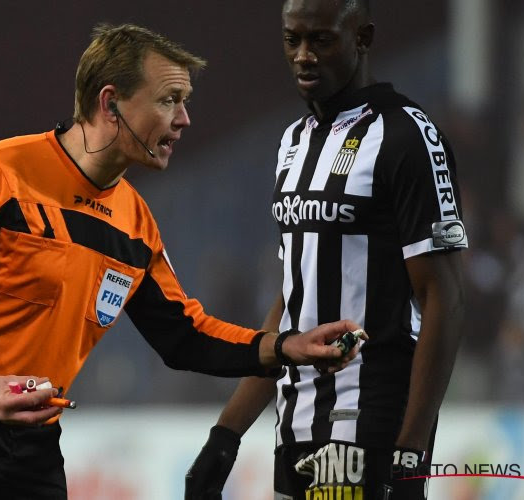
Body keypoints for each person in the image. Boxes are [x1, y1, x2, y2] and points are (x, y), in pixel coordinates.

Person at [0, 23, 364, 500]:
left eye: (184, 102)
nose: (184, 119)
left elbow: (184, 335)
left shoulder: (134, 223)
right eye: (169, 100)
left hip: (31, 441)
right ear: (110, 103)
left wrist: (286, 346)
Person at [185, 0, 467, 498]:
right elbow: (295, 296)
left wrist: (411, 452)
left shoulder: (407, 135)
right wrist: (226, 434)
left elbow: (444, 297)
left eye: (321, 39)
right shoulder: (293, 141)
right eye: (292, 40)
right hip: (293, 423)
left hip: (372, 420)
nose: (303, 56)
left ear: (363, 37)